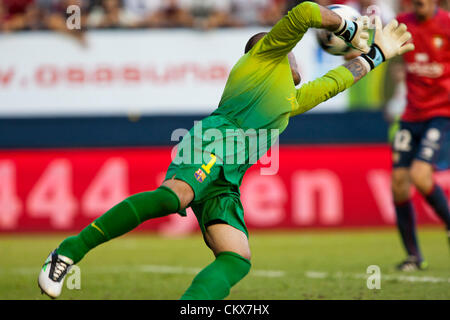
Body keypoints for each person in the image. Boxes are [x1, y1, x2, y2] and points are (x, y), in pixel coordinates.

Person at [38, 1, 413, 299]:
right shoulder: (263, 58)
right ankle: (69, 251)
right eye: (291, 53)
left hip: (227, 180)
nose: (297, 58)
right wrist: (345, 26)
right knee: (174, 197)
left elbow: (336, 80)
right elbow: (304, 13)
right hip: (211, 144)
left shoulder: (292, 99)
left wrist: (378, 53)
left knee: (237, 258)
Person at [391, 0, 450, 271]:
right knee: (399, 184)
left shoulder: (447, 25)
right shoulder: (404, 22)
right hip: (411, 115)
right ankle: (413, 256)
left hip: (441, 113)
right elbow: (380, 46)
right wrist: (354, 49)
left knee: (419, 175)